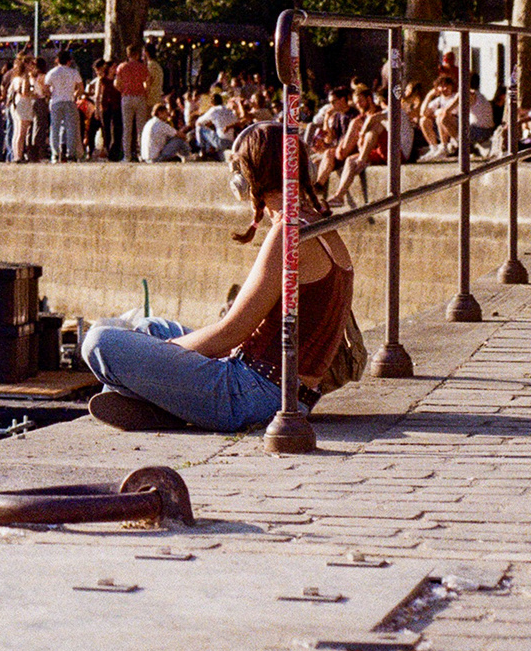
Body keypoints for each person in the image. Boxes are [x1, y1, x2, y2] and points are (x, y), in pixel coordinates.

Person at [82, 122, 355, 431]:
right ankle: (157, 403)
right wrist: (159, 356)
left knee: (98, 342)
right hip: (288, 388)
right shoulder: (320, 226)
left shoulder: (287, 234)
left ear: (249, 176)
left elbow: (231, 333)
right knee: (149, 327)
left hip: (255, 393)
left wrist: (165, 355)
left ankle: (154, 403)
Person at [44, 50, 84, 162]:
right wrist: (75, 94)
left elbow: (45, 88)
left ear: (57, 60)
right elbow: (81, 88)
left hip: (56, 102)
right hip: (69, 100)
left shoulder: (52, 72)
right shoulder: (74, 72)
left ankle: (55, 153)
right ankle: (71, 153)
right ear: (69, 61)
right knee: (71, 128)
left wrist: (52, 95)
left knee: (55, 128)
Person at [113, 46, 152, 162]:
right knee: (141, 127)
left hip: (126, 97)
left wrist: (123, 90)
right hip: (140, 97)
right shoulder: (142, 67)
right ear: (136, 54)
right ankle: (142, 154)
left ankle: (127, 155)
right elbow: (148, 83)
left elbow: (117, 83)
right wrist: (145, 92)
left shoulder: (122, 67)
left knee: (127, 128)